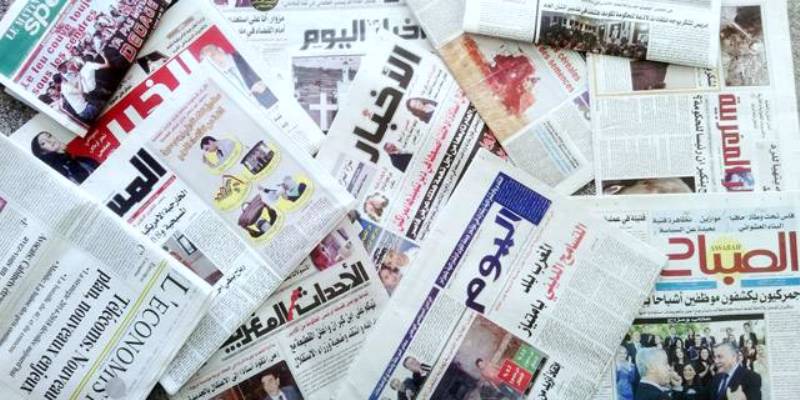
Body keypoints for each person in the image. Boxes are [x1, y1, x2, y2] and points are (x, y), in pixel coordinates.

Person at [199, 44, 277, 108]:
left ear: (220, 50)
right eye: (210, 62)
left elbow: (276, 73)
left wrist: (265, 85)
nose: (214, 61)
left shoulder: (245, 54)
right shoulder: (219, 84)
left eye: (213, 55)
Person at [31, 131, 98, 184]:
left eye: (49, 136)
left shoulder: (80, 158)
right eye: (43, 143)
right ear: (42, 152)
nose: (50, 141)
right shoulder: (59, 171)